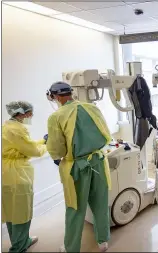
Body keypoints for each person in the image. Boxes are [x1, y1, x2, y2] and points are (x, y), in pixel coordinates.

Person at [45, 82, 112, 252]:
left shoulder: (56, 117)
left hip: (78, 168)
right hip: (98, 161)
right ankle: (103, 241)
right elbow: (106, 134)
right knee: (100, 203)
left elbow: (57, 149)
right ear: (71, 93)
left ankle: (71, 248)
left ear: (56, 97)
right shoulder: (92, 108)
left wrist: (54, 152)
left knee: (75, 208)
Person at [2, 101, 47, 252]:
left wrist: (42, 140)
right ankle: (20, 247)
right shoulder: (18, 129)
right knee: (21, 209)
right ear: (21, 113)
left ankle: (19, 240)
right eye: (29, 113)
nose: (31, 116)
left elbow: (23, 145)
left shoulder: (7, 126)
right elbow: (33, 151)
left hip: (6, 172)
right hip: (17, 172)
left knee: (11, 209)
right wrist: (48, 144)